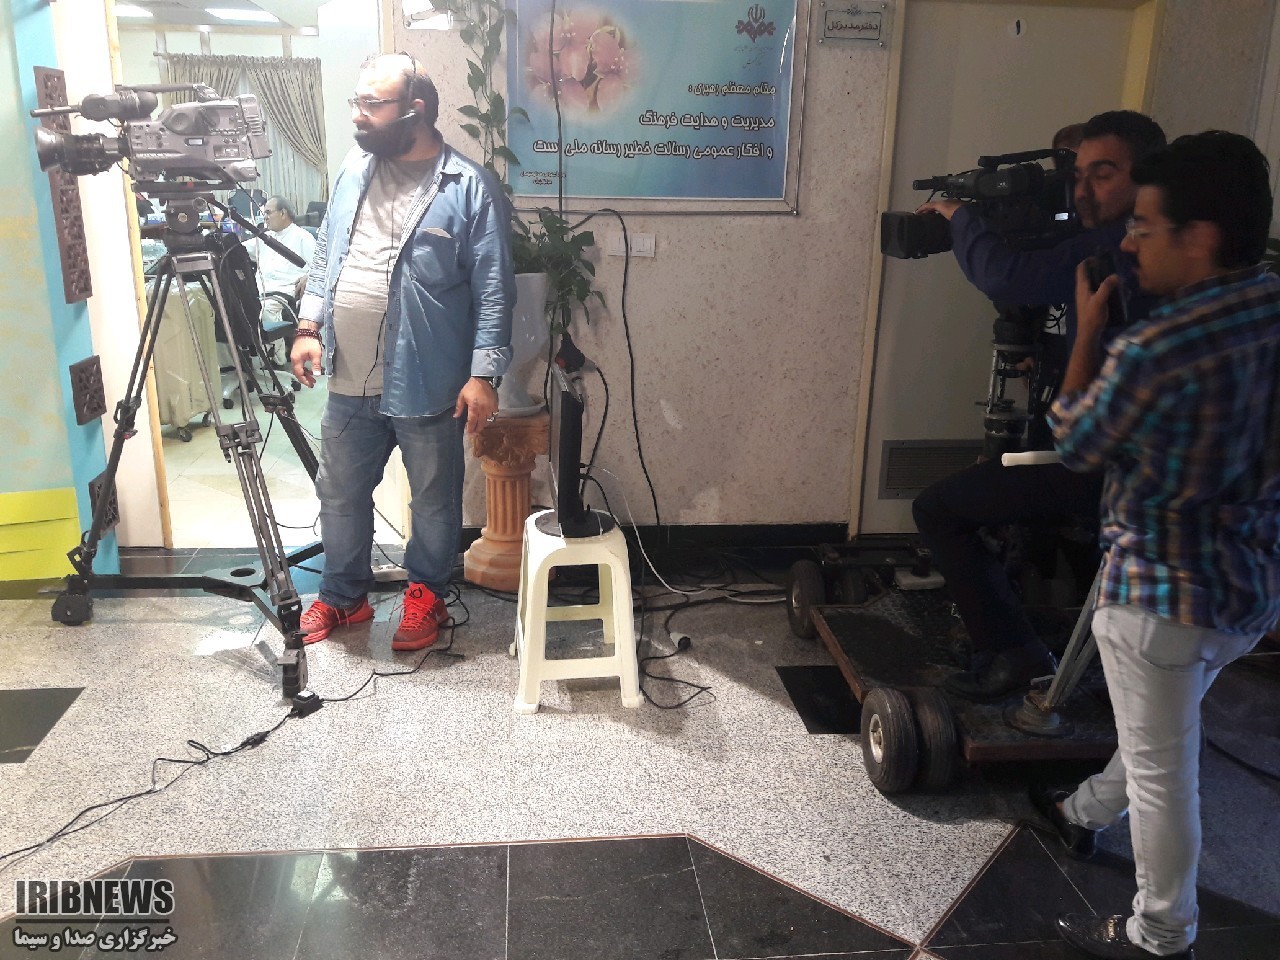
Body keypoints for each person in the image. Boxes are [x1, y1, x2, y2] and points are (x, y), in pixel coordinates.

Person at [1036, 130, 1280, 960]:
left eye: (1143, 226)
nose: (1130, 243)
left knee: (1164, 771)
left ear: (1198, 237)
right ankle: (1082, 812)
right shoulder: (1271, 304)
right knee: (1161, 734)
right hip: (1250, 586)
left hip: (1161, 598)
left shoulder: (1157, 347)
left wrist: (1086, 332)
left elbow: (1076, 442)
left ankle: (1160, 933)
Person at [910, 110, 1167, 700]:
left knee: (939, 510)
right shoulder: (1127, 246)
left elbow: (1007, 277)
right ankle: (1031, 633)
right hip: (1112, 457)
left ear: (1150, 179)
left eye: (1103, 174)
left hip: (1108, 466)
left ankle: (1014, 654)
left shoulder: (1116, 248)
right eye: (1077, 175)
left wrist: (959, 215)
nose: (1082, 191)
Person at [291, 53, 514, 650]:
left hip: (428, 378)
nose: (358, 116)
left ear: (414, 110)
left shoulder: (467, 186)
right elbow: (326, 252)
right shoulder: (353, 169)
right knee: (339, 494)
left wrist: (484, 375)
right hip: (349, 376)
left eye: (372, 104)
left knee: (434, 501)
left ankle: (426, 596)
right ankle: (344, 598)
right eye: (357, 102)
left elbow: (494, 288)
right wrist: (308, 325)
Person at [248, 196, 316, 307]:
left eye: (268, 213)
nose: (265, 218)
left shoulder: (303, 237)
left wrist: (308, 277)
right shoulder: (265, 238)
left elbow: (319, 269)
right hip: (258, 297)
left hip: (283, 299)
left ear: (283, 213)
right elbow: (239, 250)